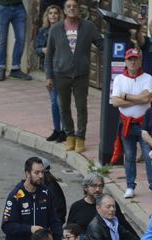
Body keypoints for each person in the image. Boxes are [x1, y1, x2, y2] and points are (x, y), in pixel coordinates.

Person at [44, 0, 104, 153]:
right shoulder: (56, 29)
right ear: (64, 10)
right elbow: (49, 54)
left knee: (81, 107)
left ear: (79, 10)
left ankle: (81, 137)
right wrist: (48, 76)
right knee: (63, 106)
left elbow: (101, 44)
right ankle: (70, 135)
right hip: (61, 74)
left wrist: (118, 47)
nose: (72, 9)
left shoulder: (88, 27)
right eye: (69, 6)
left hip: (81, 74)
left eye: (75, 6)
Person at [108, 49, 152, 198]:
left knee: (148, 155)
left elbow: (147, 99)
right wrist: (137, 98)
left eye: (136, 59)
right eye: (130, 59)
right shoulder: (119, 79)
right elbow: (115, 102)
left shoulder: (147, 78)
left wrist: (125, 96)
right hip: (126, 124)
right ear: (126, 62)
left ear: (140, 61)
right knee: (130, 156)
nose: (133, 62)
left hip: (144, 124)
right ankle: (130, 186)